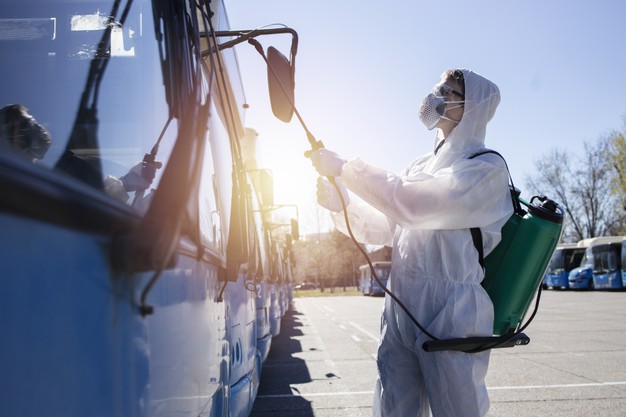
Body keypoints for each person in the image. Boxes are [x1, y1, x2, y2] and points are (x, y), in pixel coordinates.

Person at [310, 69, 514, 417]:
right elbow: (387, 227)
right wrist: (342, 205)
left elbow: (414, 207)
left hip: (451, 312)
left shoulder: (485, 169)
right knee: (394, 408)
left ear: (473, 107)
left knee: (457, 411)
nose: (436, 95)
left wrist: (346, 169)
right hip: (402, 308)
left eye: (449, 92)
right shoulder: (421, 165)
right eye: (440, 87)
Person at [0, 103, 156, 203]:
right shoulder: (14, 187)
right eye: (25, 126)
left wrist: (127, 182)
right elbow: (76, 211)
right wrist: (126, 183)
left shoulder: (54, 169)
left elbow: (93, 194)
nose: (37, 128)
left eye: (32, 121)